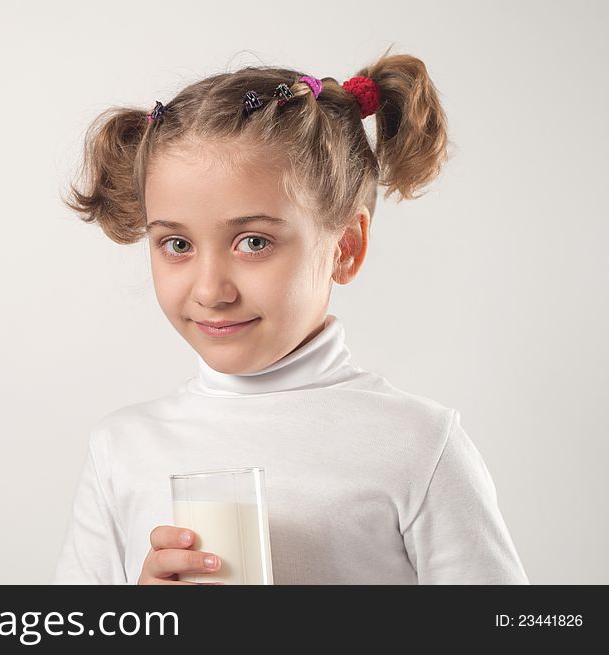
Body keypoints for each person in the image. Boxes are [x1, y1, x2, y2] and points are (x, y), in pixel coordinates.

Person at [51, 47, 529, 585]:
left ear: (345, 247)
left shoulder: (417, 445)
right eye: (177, 243)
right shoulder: (123, 447)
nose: (210, 290)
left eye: (253, 242)